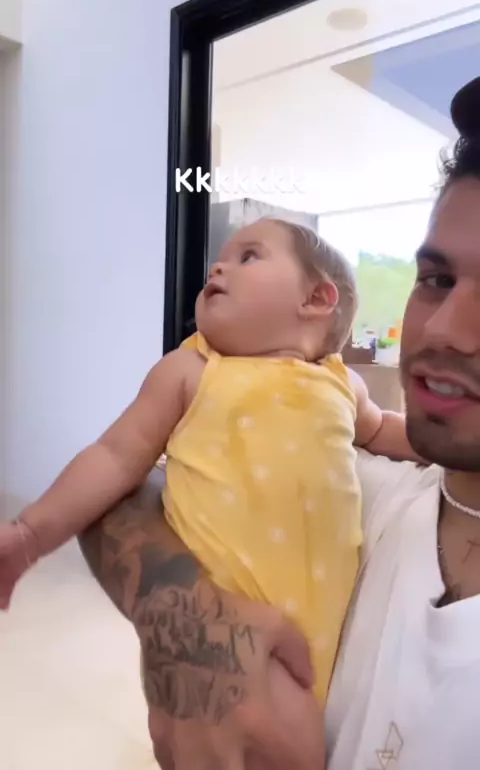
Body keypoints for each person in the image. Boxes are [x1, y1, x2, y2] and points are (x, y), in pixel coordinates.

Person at [78, 75, 480, 770]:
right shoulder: (361, 491)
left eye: (250, 257)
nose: (444, 329)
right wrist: (188, 625)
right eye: (438, 280)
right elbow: (123, 488)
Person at [0, 216, 418, 760]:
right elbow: (115, 457)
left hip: (317, 653)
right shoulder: (192, 369)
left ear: (316, 298)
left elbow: (384, 430)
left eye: (249, 256)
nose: (217, 267)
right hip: (228, 636)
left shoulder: (343, 383)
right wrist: (30, 533)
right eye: (220, 258)